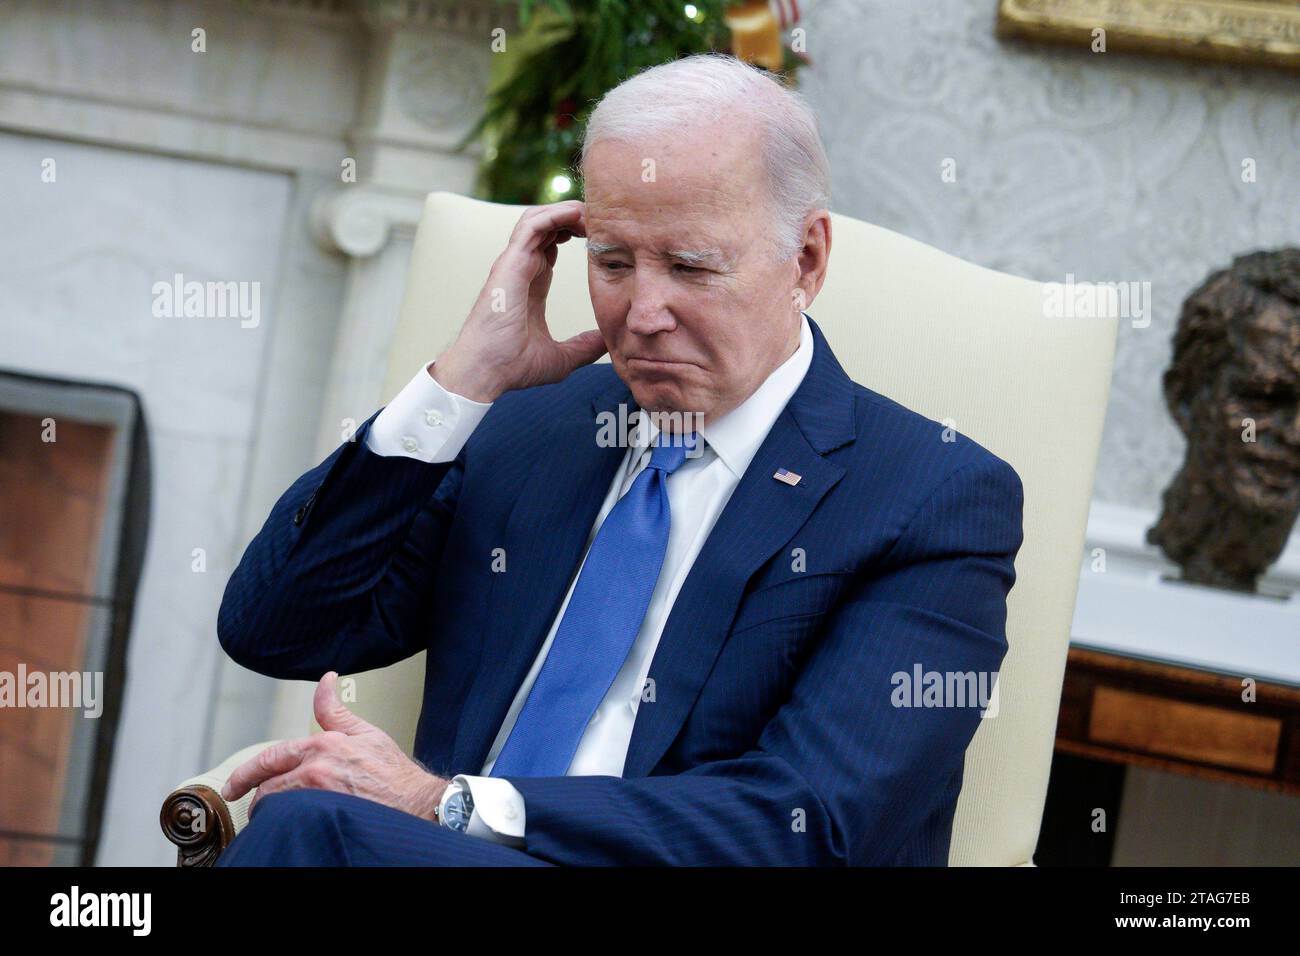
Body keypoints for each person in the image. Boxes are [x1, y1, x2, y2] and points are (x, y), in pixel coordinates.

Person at [214, 52, 1024, 867]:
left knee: (307, 831)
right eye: (611, 262)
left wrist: (446, 803)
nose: (641, 314)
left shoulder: (931, 495)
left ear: (806, 260)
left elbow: (812, 822)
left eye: (690, 267)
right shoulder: (533, 428)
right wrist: (465, 380)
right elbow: (276, 630)